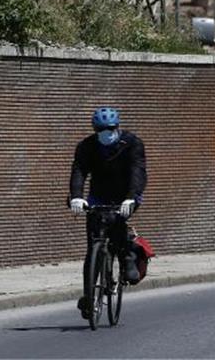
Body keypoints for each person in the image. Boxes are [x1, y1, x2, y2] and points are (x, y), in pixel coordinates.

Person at [68, 106, 147, 319]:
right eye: (101, 130)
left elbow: (137, 171)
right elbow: (79, 170)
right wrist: (76, 196)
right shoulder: (87, 146)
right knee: (93, 243)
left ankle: (127, 257)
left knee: (117, 222)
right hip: (98, 196)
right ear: (95, 130)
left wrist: (132, 197)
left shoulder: (132, 144)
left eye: (110, 129)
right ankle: (88, 295)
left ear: (117, 127)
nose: (106, 133)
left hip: (125, 195)